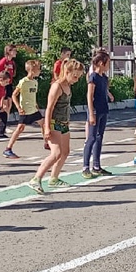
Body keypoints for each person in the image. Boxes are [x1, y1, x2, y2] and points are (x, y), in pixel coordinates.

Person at [30, 58, 85, 194]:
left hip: (64, 123)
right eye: (75, 76)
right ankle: (36, 179)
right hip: (54, 123)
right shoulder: (57, 86)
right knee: (56, 153)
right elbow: (49, 108)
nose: (77, 79)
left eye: (79, 77)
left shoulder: (68, 86)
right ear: (67, 72)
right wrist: (47, 128)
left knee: (65, 152)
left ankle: (54, 178)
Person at [82, 50, 114, 179]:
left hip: (103, 110)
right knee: (91, 138)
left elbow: (104, 90)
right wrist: (91, 113)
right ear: (101, 63)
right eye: (108, 63)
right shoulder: (93, 77)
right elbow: (89, 95)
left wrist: (109, 94)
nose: (109, 66)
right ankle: (85, 167)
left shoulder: (104, 78)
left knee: (99, 137)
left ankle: (96, 166)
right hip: (95, 110)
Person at [3, 58, 43, 160]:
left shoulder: (35, 82)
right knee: (20, 128)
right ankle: (8, 149)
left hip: (33, 109)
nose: (40, 70)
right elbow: (14, 95)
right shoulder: (23, 82)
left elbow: (32, 95)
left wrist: (36, 105)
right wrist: (18, 107)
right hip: (25, 110)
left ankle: (47, 143)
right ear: (32, 70)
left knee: (44, 124)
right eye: (38, 68)